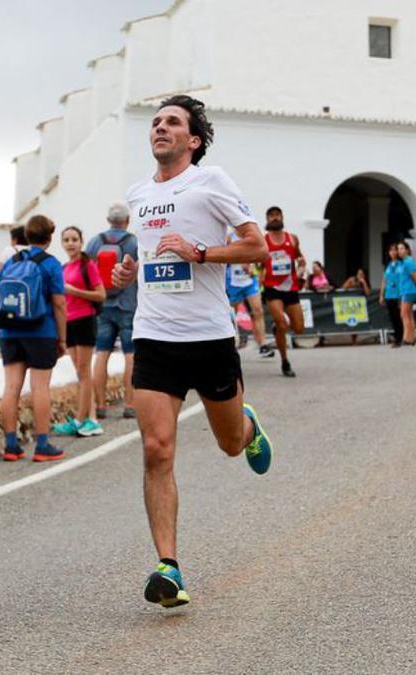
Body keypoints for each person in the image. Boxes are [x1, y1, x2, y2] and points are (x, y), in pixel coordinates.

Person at [112, 94, 274, 609]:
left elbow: (256, 247)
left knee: (228, 444)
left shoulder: (212, 182)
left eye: (173, 123)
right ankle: (169, 567)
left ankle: (245, 425)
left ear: (193, 140)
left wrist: (202, 252)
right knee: (157, 450)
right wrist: (128, 271)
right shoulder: (137, 195)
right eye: (156, 122)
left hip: (208, 336)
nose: (160, 128)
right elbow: (149, 254)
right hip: (155, 336)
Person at [0, 214, 68, 462]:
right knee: (40, 387)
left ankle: (11, 445)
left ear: (27, 236)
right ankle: (42, 445)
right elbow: (59, 303)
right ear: (49, 237)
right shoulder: (51, 264)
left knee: (11, 387)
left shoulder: (11, 261)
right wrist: (62, 338)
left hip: (10, 333)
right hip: (41, 331)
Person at [85, 203, 140, 420]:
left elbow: (86, 269)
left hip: (103, 306)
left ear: (109, 220)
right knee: (130, 355)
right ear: (127, 220)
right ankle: (130, 404)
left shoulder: (95, 241)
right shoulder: (134, 242)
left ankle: (100, 405)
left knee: (102, 354)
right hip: (128, 305)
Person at [52, 226, 106, 437]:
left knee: (84, 372)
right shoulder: (64, 267)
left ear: (81, 242)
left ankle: (81, 419)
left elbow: (101, 295)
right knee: (80, 373)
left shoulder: (88, 265)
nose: (70, 243)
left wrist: (75, 291)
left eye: (74, 239)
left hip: (85, 320)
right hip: (69, 322)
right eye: (66, 240)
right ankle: (90, 419)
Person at [260, 205, 306, 377]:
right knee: (282, 323)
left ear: (282, 217)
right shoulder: (263, 241)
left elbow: (300, 259)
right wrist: (256, 272)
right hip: (272, 288)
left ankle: (277, 328)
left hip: (291, 287)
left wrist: (301, 267)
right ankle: (285, 362)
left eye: (277, 215)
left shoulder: (292, 239)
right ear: (267, 219)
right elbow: (258, 264)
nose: (274, 218)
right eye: (271, 215)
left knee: (299, 328)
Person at [226, 227, 274, 358]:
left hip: (249, 280)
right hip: (233, 281)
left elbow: (261, 256)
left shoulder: (252, 236)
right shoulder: (230, 237)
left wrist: (253, 265)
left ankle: (263, 345)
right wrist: (239, 260)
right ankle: (230, 343)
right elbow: (223, 258)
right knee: (232, 314)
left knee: (258, 311)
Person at [397, 241, 416, 346]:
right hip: (406, 291)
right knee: (409, 315)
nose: (399, 251)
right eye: (398, 249)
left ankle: (406, 338)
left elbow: (414, 277)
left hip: (409, 291)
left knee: (404, 314)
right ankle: (411, 339)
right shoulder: (404, 262)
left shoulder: (408, 261)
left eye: (402, 248)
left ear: (407, 250)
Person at [380, 243, 403, 348]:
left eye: (395, 250)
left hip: (398, 294)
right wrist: (381, 295)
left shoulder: (401, 264)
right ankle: (397, 337)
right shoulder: (388, 265)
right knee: (393, 317)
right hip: (389, 294)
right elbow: (384, 281)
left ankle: (399, 338)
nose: (393, 252)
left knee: (399, 317)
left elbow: (403, 280)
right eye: (391, 250)